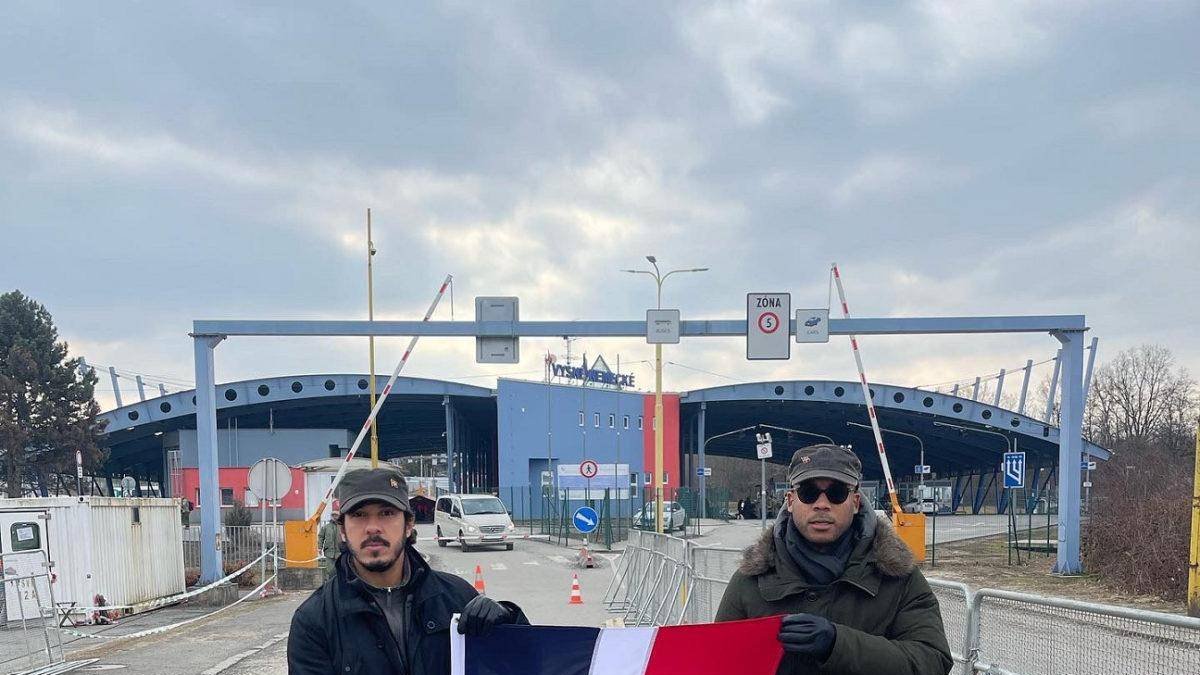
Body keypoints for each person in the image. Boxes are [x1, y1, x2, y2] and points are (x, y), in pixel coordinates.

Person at [716, 444, 952, 675]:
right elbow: (718, 660)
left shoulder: (898, 576)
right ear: (790, 501)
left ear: (856, 502)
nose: (822, 504)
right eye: (808, 492)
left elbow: (932, 661)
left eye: (837, 493)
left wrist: (839, 645)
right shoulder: (751, 579)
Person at [288, 465, 527, 674]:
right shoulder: (315, 621)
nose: (373, 527)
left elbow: (524, 661)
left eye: (387, 513)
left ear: (408, 524)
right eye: (359, 515)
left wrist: (507, 620)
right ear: (342, 529)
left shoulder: (456, 597)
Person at [316, 510, 342, 580]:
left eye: (336, 515)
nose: (335, 517)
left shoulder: (342, 527)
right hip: (329, 552)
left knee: (340, 570)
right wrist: (319, 548)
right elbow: (321, 537)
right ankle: (330, 585)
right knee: (330, 571)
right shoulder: (326, 527)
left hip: (340, 552)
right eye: (333, 515)